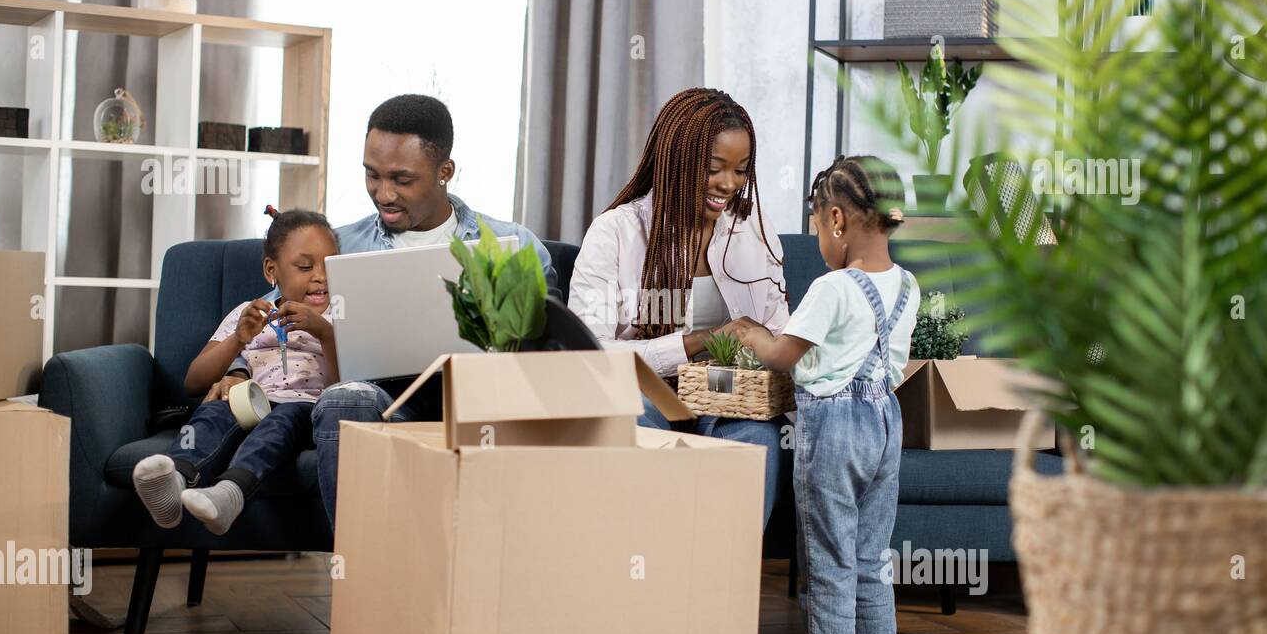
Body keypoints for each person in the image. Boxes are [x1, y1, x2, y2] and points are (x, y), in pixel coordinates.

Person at [309, 94, 558, 524]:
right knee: (344, 401)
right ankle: (363, 578)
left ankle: (485, 574)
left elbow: (554, 344)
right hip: (383, 397)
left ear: (445, 172)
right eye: (372, 175)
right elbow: (279, 315)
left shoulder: (512, 245)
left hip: (482, 399)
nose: (382, 194)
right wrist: (239, 370)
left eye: (402, 180)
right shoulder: (338, 246)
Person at [732, 155, 919, 634]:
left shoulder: (833, 287)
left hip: (835, 425)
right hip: (886, 421)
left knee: (830, 557)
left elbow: (786, 355)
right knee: (870, 555)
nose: (820, 240)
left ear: (837, 220)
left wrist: (750, 332)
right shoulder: (908, 286)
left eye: (818, 227)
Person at [568, 87, 790, 525]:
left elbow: (778, 333)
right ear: (677, 161)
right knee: (632, 429)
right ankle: (649, 576)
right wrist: (694, 343)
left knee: (756, 445)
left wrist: (769, 347)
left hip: (726, 396)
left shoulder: (753, 233)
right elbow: (586, 356)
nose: (729, 184)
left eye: (741, 171)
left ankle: (722, 581)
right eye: (714, 169)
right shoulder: (616, 232)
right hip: (643, 395)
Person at [132, 209, 340, 536]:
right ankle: (174, 483)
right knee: (213, 413)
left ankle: (230, 493)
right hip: (247, 401)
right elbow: (194, 380)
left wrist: (325, 333)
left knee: (278, 425)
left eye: (330, 265)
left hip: (303, 409)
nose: (320, 276)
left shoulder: (341, 318)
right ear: (272, 269)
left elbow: (346, 386)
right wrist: (238, 340)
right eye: (305, 266)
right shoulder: (248, 314)